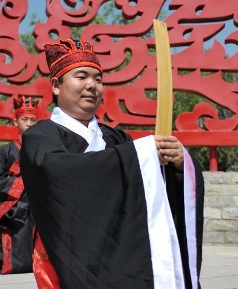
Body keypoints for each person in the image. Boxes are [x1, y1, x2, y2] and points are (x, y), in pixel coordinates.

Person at [19, 38, 205, 289]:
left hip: (121, 253)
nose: (92, 86)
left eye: (98, 79)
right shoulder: (40, 137)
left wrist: (177, 165)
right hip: (67, 255)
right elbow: (59, 174)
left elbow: (149, 188)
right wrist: (140, 156)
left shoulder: (117, 138)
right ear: (55, 85)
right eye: (81, 77)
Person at [0, 95, 38, 274]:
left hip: (36, 203)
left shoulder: (43, 149)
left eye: (33, 120)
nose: (29, 123)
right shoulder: (4, 151)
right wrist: (23, 183)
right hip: (13, 204)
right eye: (25, 119)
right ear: (16, 122)